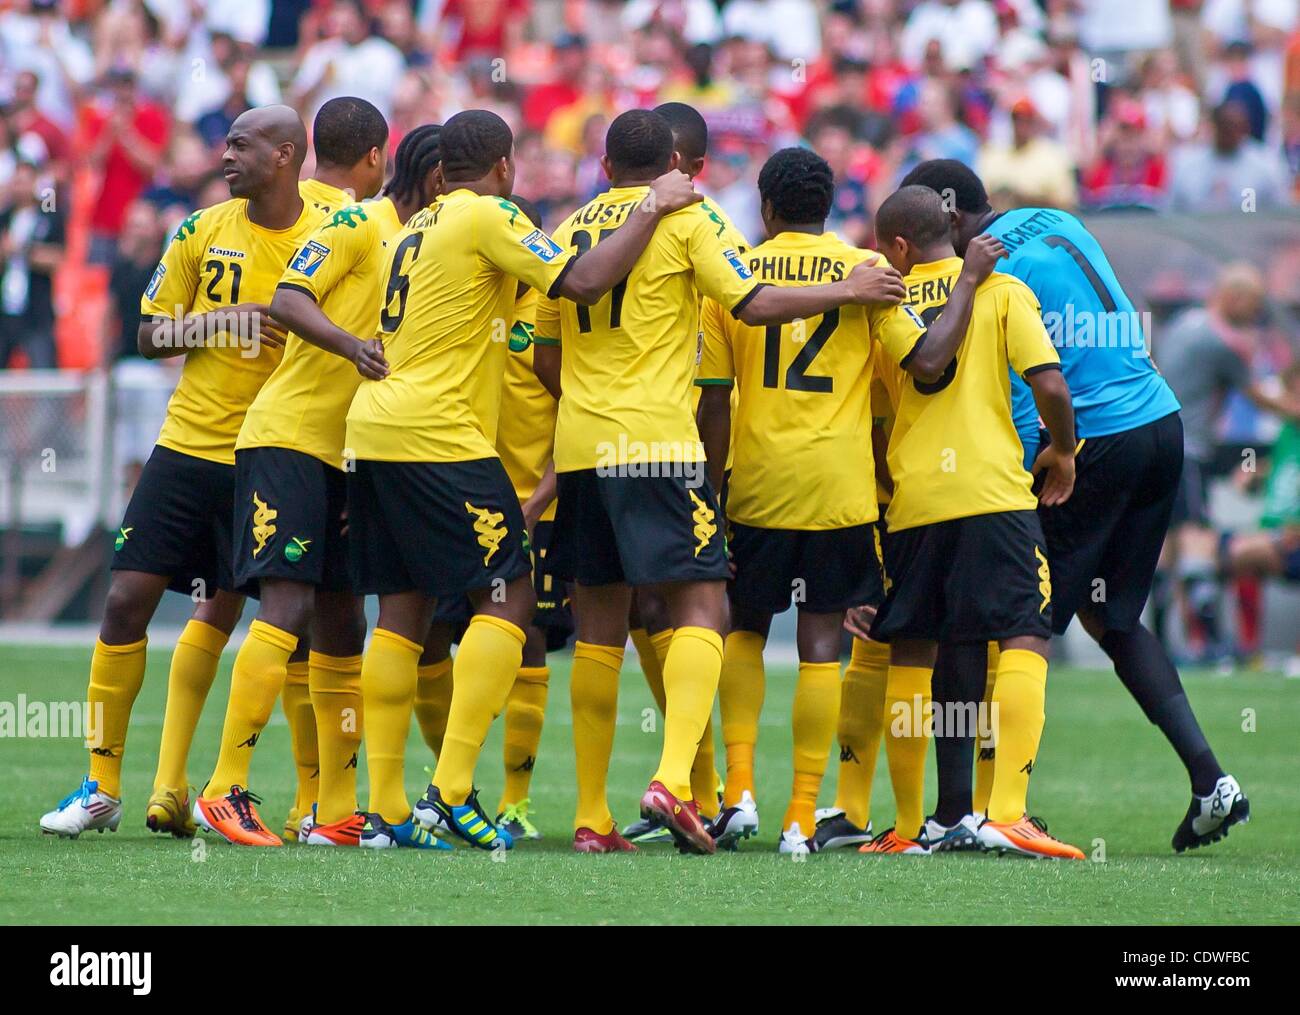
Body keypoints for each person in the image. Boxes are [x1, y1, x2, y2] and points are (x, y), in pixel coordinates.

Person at [536, 109, 908, 854]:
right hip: (658, 444)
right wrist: (846, 293)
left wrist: (586, 396)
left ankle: (591, 817)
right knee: (705, 602)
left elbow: (543, 351)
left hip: (582, 446)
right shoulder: (687, 215)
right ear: (676, 162)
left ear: (605, 166)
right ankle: (676, 778)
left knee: (600, 627)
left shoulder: (571, 228)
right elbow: (755, 302)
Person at [345, 109, 700, 853]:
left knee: (402, 609)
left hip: (372, 429)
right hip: (438, 432)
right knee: (507, 594)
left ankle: (384, 808)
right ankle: (447, 791)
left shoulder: (417, 223)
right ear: (503, 167)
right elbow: (585, 277)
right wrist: (652, 204)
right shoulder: (491, 215)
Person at [902, 158, 1252, 852]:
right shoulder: (1059, 220)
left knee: (1004, 615)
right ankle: (1213, 781)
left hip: (1095, 441)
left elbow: (1035, 387)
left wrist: (1035, 468)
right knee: (1110, 614)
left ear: (949, 219)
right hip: (1161, 424)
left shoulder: (994, 277)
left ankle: (988, 812)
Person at [38, 106, 318, 840]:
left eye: (241, 144)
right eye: (224, 144)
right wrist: (225, 321)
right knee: (126, 598)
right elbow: (147, 331)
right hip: (190, 444)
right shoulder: (200, 231)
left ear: (285, 154)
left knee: (237, 614)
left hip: (275, 452)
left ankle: (207, 787)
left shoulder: (332, 225)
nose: (225, 156)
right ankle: (101, 785)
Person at [696, 148, 926, 854]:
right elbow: (909, 369)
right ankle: (801, 817)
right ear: (830, 203)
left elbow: (713, 403)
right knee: (822, 643)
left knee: (744, 628)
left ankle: (737, 793)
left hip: (758, 484)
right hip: (840, 486)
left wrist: (711, 490)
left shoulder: (733, 275)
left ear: (766, 207)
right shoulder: (869, 274)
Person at [184, 98, 393, 848]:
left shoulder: (366, 224)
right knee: (287, 607)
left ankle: (335, 809)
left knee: (341, 620)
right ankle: (222, 787)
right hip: (290, 438)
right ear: (377, 155)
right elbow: (287, 301)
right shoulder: (354, 221)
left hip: (339, 447)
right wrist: (353, 347)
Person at [864, 184, 1083, 860]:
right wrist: (1064, 449)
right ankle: (1007, 813)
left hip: (917, 500)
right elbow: (1048, 384)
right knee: (1025, 632)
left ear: (898, 244)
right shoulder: (1001, 289)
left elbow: (880, 415)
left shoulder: (885, 302)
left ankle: (921, 822)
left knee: (918, 648)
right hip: (992, 494)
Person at [1156, 264, 1300, 662]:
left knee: (1167, 542)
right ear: (1233, 296)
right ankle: (1211, 643)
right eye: (1252, 306)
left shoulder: (1183, 325)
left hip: (1158, 445)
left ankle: (1162, 644)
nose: (1254, 316)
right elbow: (1258, 395)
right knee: (1197, 536)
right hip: (1190, 451)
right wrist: (1294, 410)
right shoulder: (1222, 342)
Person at [0, 159, 63, 369]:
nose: (20, 187)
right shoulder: (5, 217)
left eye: (25, 181)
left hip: (36, 312)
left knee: (43, 371)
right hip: (5, 309)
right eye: (16, 181)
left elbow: (56, 259)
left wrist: (21, 250)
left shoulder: (49, 216)